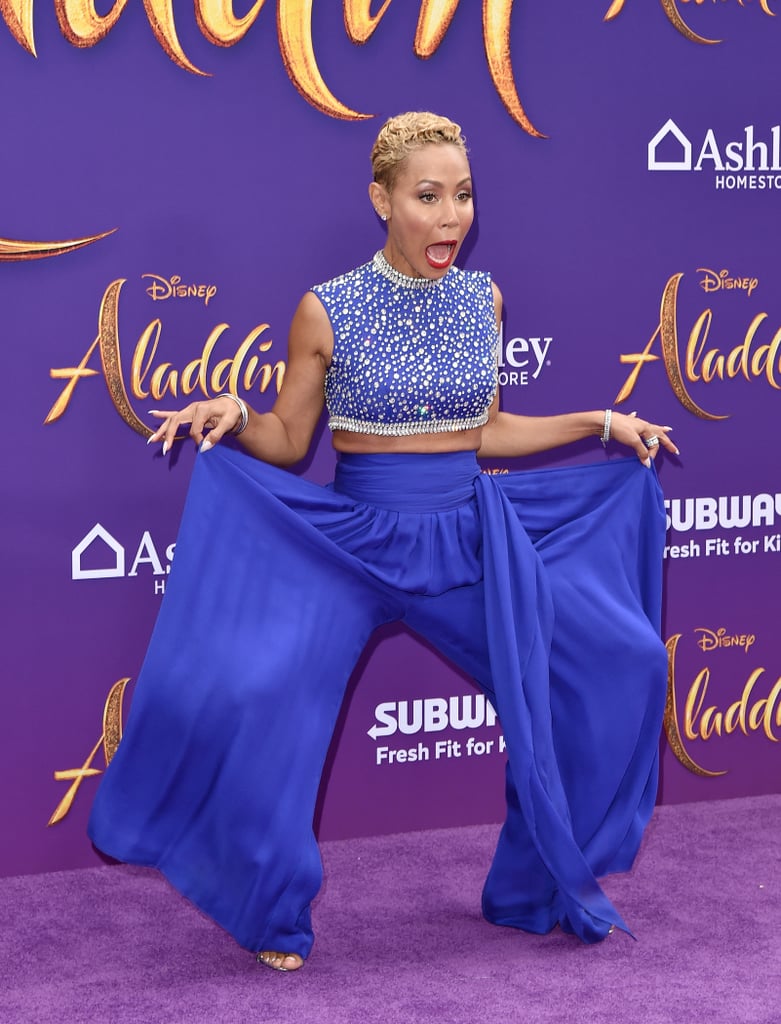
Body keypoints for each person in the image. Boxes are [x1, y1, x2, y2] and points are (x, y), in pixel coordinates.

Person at [88, 112, 676, 972]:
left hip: (469, 540)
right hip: (354, 547)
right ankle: (271, 910)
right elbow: (291, 440)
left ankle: (531, 884)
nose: (450, 218)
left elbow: (484, 430)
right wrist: (236, 414)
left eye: (463, 196)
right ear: (382, 199)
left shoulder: (485, 299)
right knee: (258, 694)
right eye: (427, 196)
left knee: (621, 660)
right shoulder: (325, 307)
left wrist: (600, 419)